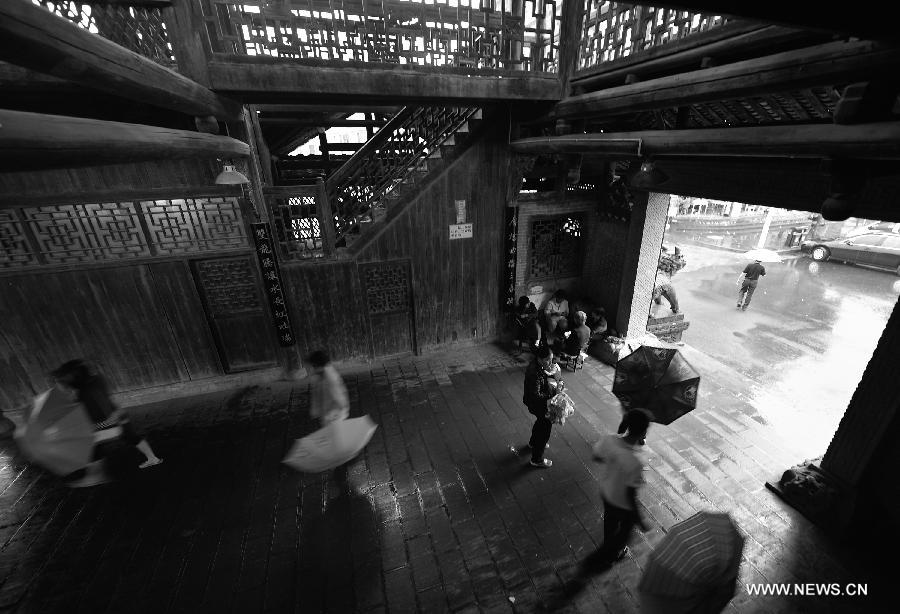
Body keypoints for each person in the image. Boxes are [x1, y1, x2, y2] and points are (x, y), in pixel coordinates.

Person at [52, 360, 163, 487]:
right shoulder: (96, 380)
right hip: (119, 415)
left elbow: (95, 415)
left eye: (63, 382)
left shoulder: (85, 394)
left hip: (111, 423)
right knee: (131, 436)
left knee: (88, 441)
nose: (61, 385)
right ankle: (153, 458)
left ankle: (95, 475)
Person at [589, 409, 650, 567]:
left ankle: (607, 545)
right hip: (622, 502)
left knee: (610, 522)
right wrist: (639, 518)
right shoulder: (636, 460)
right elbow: (631, 494)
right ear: (643, 432)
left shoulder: (610, 440)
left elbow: (596, 456)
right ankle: (614, 552)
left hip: (607, 492)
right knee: (625, 529)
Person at [522, 344, 563, 468]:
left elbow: (551, 376)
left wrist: (558, 380)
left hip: (536, 402)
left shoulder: (540, 366)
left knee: (540, 421)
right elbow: (536, 395)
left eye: (551, 359)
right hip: (536, 403)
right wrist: (553, 392)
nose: (550, 362)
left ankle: (533, 443)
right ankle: (537, 459)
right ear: (539, 358)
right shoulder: (534, 372)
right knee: (545, 428)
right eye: (547, 360)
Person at [307, 350, 349, 426]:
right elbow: (317, 394)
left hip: (334, 413)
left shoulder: (330, 379)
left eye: (313, 366)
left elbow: (338, 395)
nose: (311, 369)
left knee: (334, 433)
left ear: (319, 366)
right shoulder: (320, 375)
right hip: (328, 412)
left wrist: (341, 408)